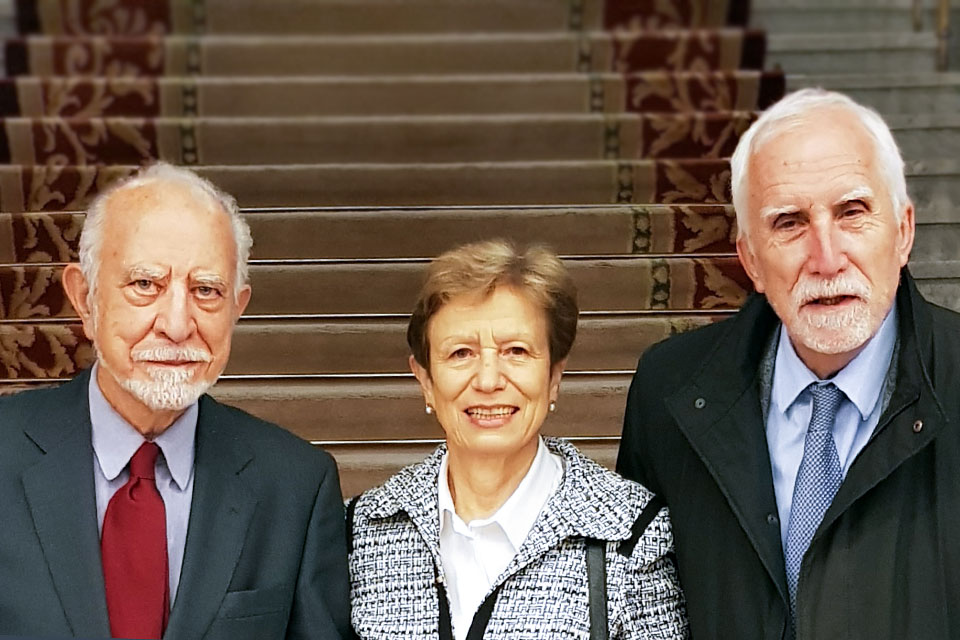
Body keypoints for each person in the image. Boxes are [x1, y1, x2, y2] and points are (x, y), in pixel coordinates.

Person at [617, 87, 960, 639]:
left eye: (852, 212)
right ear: (749, 258)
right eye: (789, 222)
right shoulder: (670, 391)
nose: (826, 258)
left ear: (904, 232)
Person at [0, 163, 352, 639]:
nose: (177, 323)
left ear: (236, 309)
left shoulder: (295, 487)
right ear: (85, 298)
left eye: (206, 291)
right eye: (145, 285)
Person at [346, 239, 688, 639]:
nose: (489, 380)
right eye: (461, 353)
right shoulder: (365, 529)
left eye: (516, 351)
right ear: (425, 380)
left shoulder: (630, 536)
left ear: (555, 376)